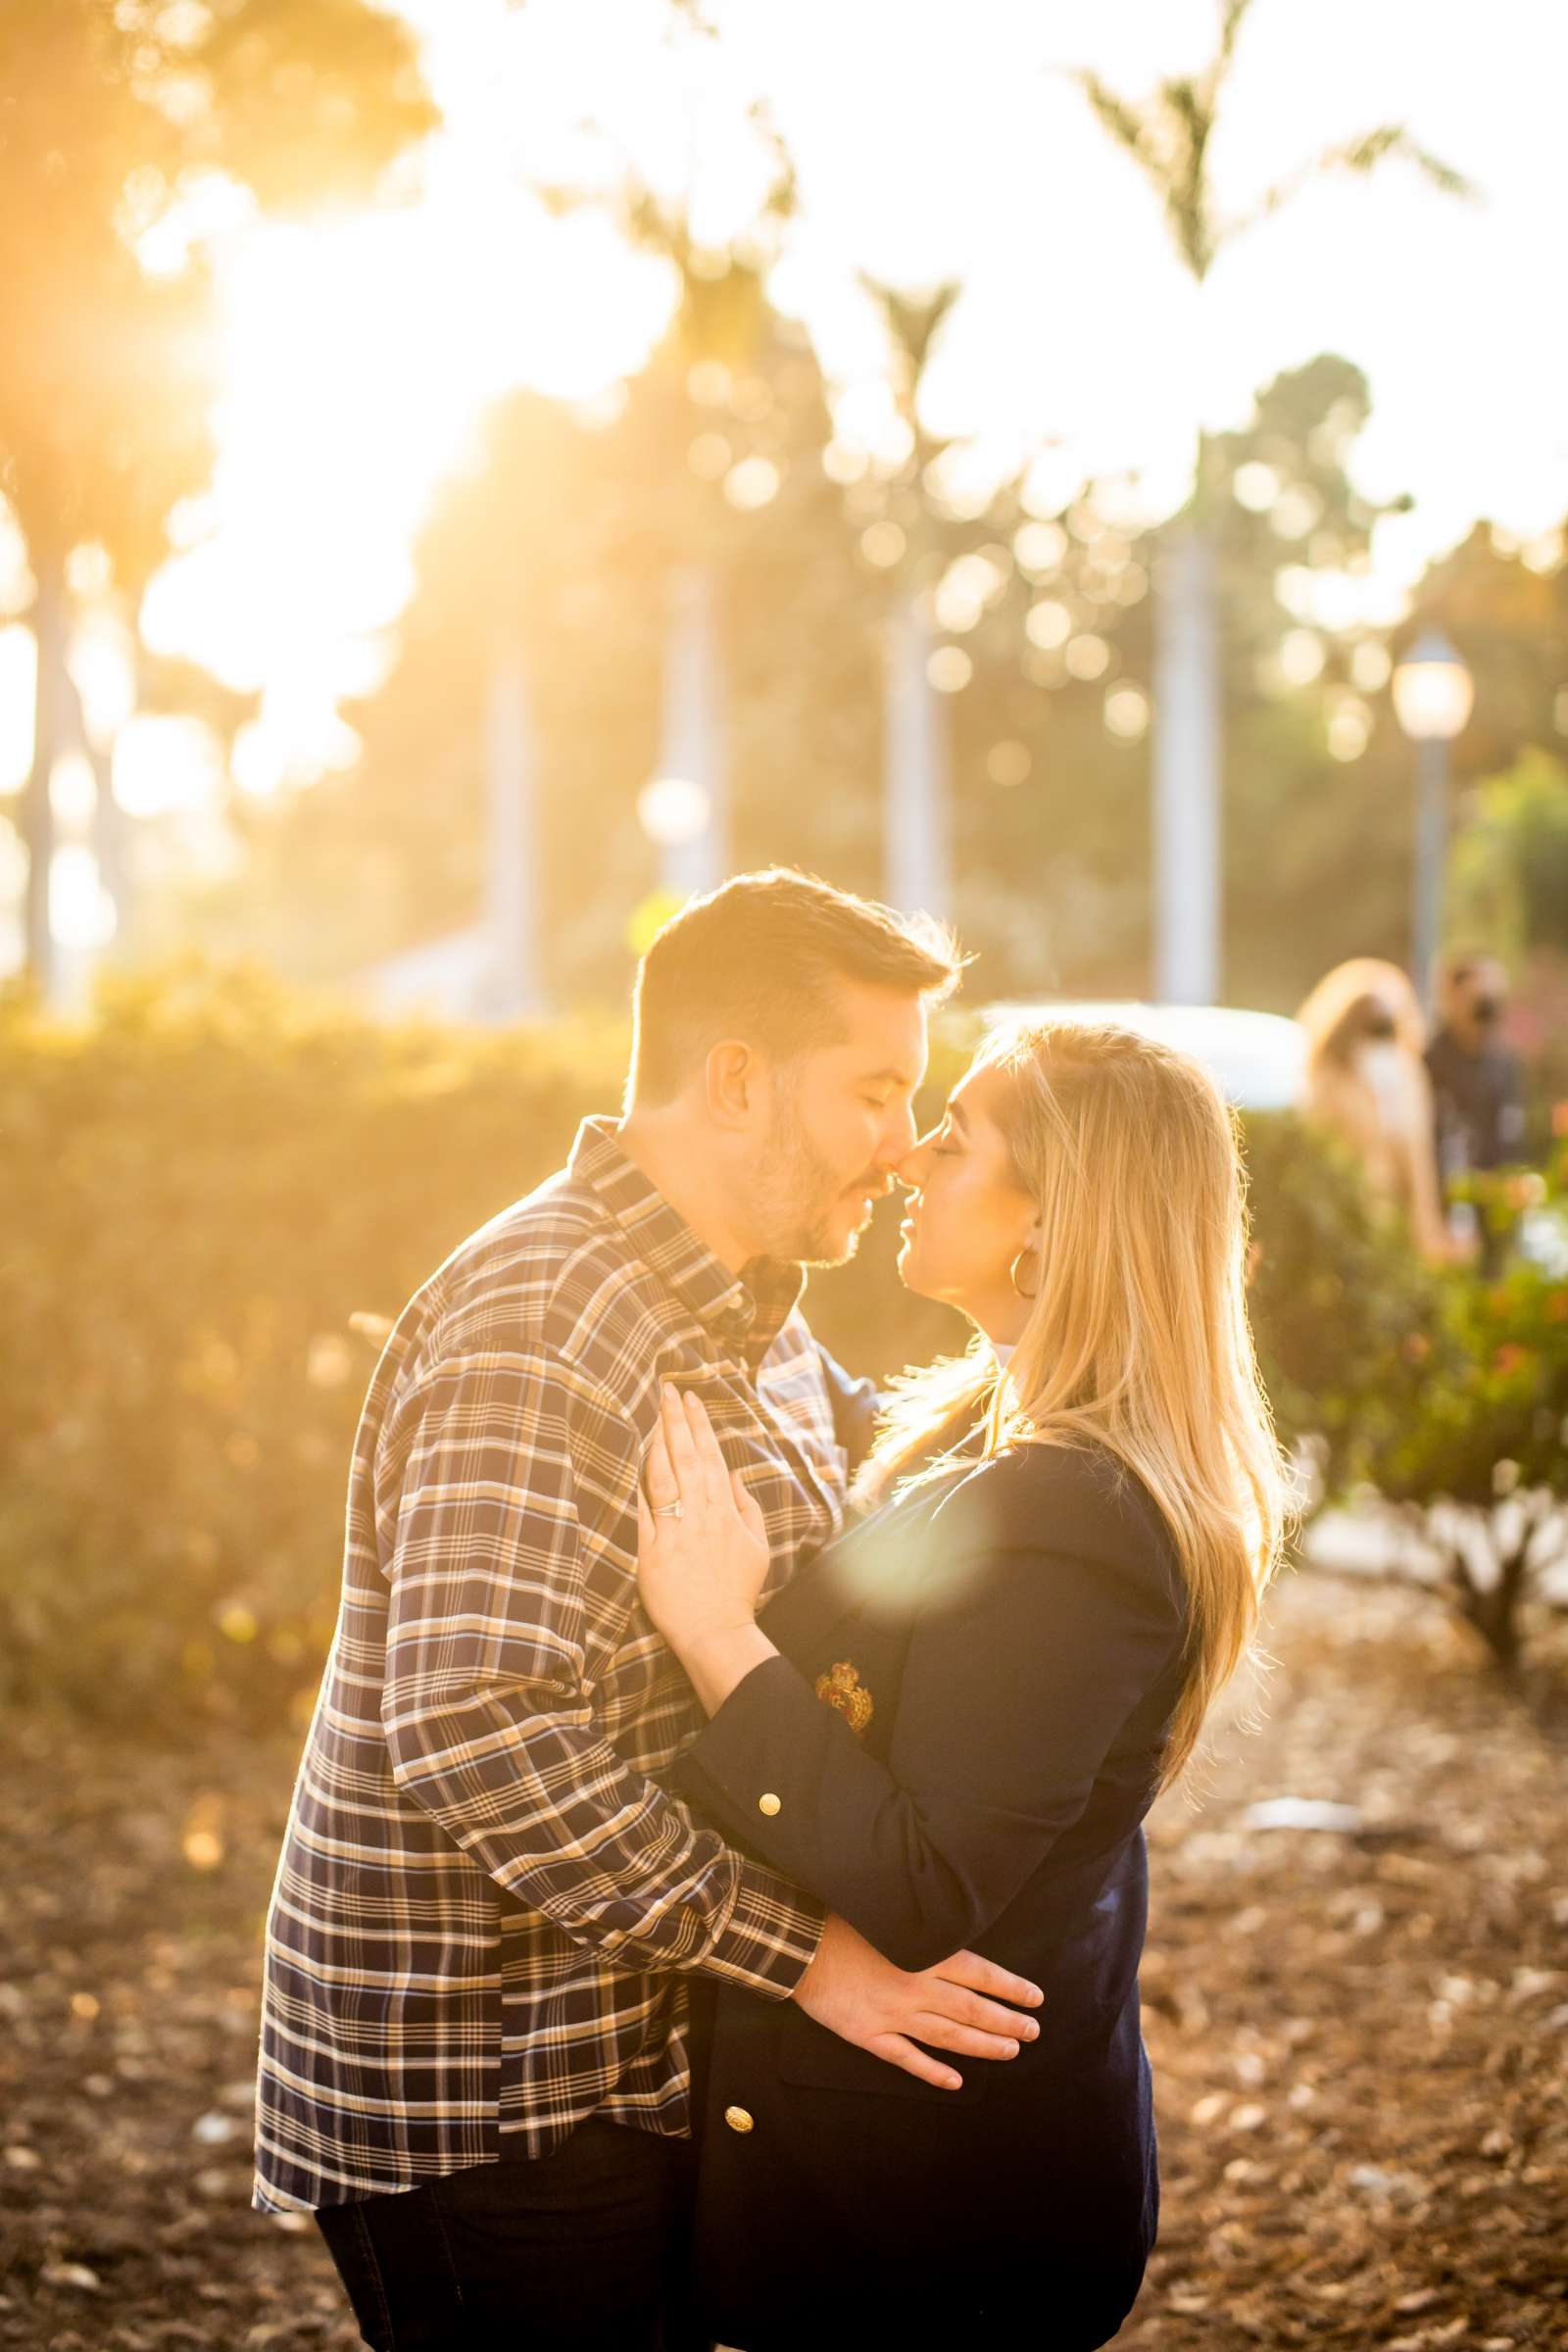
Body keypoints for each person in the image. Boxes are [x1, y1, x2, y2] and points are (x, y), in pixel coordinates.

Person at [252, 869, 1045, 2352]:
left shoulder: (750, 1305)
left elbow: (882, 1504)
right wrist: (805, 1953)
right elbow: (475, 1729)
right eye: (876, 1092)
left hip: (628, 2060)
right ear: (737, 1081)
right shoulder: (544, 1324)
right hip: (493, 2095)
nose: (902, 1144)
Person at [638, 1016, 1293, 2350]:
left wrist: (719, 1637)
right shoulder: (991, 1426)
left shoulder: (1077, 1521)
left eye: (955, 1138)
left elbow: (929, 1884)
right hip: (908, 2189)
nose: (908, 1159)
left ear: (1052, 1221)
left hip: (926, 2235)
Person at [1296, 957, 1451, 1261]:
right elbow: (1323, 1147)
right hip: (1349, 1220)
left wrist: (1429, 1234)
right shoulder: (1329, 1079)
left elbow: (1421, 1161)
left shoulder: (1408, 1074)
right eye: (1370, 1024)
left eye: (1385, 1024)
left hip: (1402, 1224)